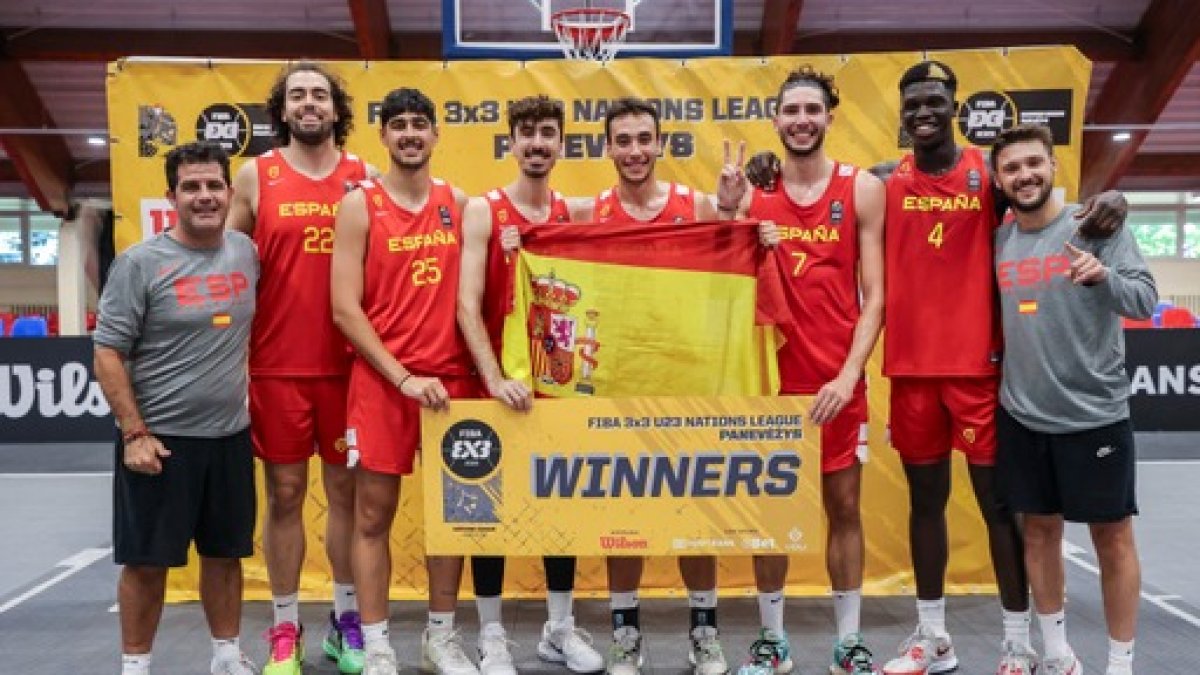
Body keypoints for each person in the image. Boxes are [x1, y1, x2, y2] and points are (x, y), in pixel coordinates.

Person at [716, 66, 885, 675]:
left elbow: (876, 296)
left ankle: (849, 642)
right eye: (792, 111)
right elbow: (720, 271)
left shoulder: (861, 188)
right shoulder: (754, 190)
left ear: (829, 117)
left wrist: (848, 375)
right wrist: (728, 207)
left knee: (845, 509)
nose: (802, 120)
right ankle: (773, 643)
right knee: (770, 517)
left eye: (813, 110)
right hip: (769, 385)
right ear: (776, 119)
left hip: (836, 383)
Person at [990, 123, 1154, 675]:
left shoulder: (1095, 226)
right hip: (1022, 415)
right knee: (1039, 533)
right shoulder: (999, 239)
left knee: (1113, 539)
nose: (1025, 175)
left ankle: (1120, 664)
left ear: (1052, 166)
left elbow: (1144, 300)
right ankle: (1057, 653)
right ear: (999, 180)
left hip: (1095, 417)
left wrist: (1104, 275)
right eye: (1012, 168)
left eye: (1033, 163)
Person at [226, 61, 371, 675]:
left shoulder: (364, 176)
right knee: (284, 495)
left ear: (336, 109)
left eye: (319, 94)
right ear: (283, 111)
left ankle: (346, 621)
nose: (309, 103)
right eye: (297, 95)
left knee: (347, 497)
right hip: (277, 366)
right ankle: (285, 627)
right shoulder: (255, 175)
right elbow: (227, 264)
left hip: (349, 366)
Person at [94, 141, 259, 675]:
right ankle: (136, 665)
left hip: (230, 436)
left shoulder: (246, 252)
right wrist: (134, 433)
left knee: (225, 555)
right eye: (191, 187)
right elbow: (108, 352)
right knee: (146, 563)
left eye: (213, 185)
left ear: (229, 192)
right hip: (160, 441)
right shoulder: (139, 264)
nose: (204, 196)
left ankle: (226, 656)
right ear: (172, 196)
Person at [330, 87, 479, 675]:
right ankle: (377, 643)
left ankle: (440, 638)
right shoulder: (359, 205)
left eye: (420, 123)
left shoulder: (457, 202)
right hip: (383, 384)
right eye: (399, 125)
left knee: (452, 518)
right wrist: (402, 377)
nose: (410, 134)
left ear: (436, 134)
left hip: (450, 386)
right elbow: (345, 309)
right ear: (384, 136)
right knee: (372, 517)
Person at [456, 94, 605, 675]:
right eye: (527, 133)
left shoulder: (576, 214)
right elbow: (466, 306)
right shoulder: (483, 211)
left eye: (547, 133)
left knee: (559, 511)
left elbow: (658, 221)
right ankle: (492, 637)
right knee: (486, 514)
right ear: (511, 142)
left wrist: (734, 203)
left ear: (562, 144)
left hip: (557, 389)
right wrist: (495, 378)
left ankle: (559, 630)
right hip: (495, 388)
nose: (537, 143)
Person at [582, 96, 728, 675]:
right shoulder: (588, 213)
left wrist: (743, 214)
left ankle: (705, 632)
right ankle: (625, 636)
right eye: (623, 140)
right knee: (625, 521)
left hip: (690, 386)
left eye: (645, 139)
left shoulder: (698, 205)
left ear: (660, 144)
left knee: (696, 517)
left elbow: (741, 237)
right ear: (607, 148)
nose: (635, 150)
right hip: (616, 388)